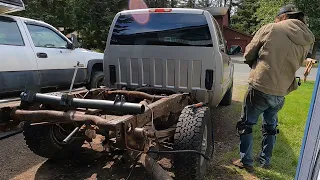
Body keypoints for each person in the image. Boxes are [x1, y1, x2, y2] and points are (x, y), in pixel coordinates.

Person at [232, 4, 315, 172]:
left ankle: (246, 161)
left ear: (284, 16)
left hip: (261, 86)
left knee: (246, 124)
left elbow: (248, 53)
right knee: (270, 127)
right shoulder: (308, 37)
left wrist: (254, 65)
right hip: (282, 91)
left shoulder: (271, 28)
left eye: (277, 18)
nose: (275, 20)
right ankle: (265, 161)